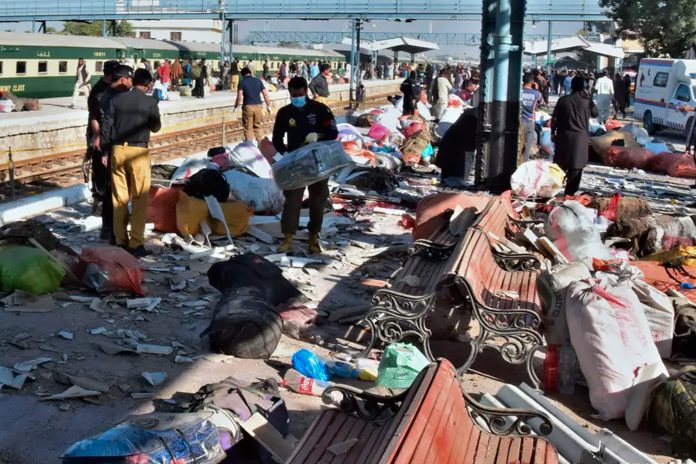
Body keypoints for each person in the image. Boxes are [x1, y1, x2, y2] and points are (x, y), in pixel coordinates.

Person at [272, 77, 338, 254]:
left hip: (317, 160)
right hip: (295, 162)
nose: (296, 98)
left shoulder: (320, 109)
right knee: (292, 200)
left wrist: (318, 135)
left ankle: (313, 237)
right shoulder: (284, 112)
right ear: (289, 93)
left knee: (318, 199)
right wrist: (284, 154)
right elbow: (277, 138)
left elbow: (332, 131)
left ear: (305, 92)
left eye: (299, 95)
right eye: (293, 95)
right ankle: (288, 238)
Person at [101, 68, 161, 257]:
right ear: (149, 84)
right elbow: (156, 127)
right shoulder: (150, 101)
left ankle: (120, 241)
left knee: (119, 198)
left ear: (133, 81)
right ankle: (136, 244)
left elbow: (106, 127)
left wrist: (105, 151)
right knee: (139, 199)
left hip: (118, 150)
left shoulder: (116, 99)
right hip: (139, 153)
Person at [85, 60, 120, 243]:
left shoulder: (113, 89)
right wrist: (98, 136)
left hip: (110, 138)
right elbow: (95, 117)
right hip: (100, 139)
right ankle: (102, 206)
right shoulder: (98, 92)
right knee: (103, 178)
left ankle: (109, 214)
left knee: (110, 181)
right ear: (111, 74)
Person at [552, 75, 598, 196]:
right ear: (583, 86)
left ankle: (552, 191)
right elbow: (595, 113)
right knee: (576, 167)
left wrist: (553, 133)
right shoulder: (587, 101)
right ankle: (569, 194)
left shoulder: (563, 100)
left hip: (563, 137)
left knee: (559, 166)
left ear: (571, 86)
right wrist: (589, 96)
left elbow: (554, 118)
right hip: (580, 139)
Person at [434, 108, 478, 187]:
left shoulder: (472, 114)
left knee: (449, 181)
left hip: (451, 150)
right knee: (455, 183)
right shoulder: (474, 117)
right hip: (457, 152)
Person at [234, 64, 273, 144]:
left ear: (243, 75)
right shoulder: (258, 81)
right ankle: (261, 146)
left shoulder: (242, 82)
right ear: (250, 73)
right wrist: (269, 106)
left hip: (248, 107)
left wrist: (236, 106)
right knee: (258, 126)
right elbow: (265, 94)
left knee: (248, 128)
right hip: (258, 106)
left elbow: (239, 96)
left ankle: (249, 147)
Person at [521, 72, 545, 162]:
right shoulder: (537, 94)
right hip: (530, 120)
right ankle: (524, 162)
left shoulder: (518, 92)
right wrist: (537, 89)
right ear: (532, 82)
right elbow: (541, 103)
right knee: (527, 145)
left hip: (519, 120)